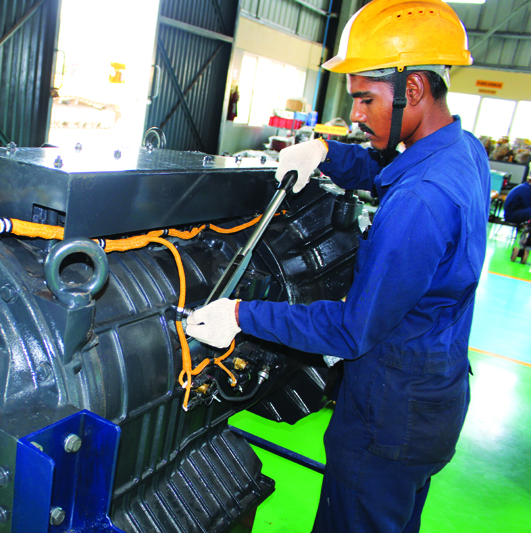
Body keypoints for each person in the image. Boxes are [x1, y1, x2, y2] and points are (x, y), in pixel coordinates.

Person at [185, 1, 491, 532]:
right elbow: (388, 170)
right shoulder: (462, 152)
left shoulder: (419, 202)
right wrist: (326, 152)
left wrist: (240, 315)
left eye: (366, 99)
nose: (356, 114)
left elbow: (352, 330)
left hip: (386, 418)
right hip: (430, 399)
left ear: (413, 88)